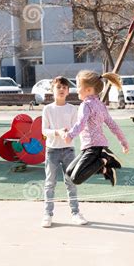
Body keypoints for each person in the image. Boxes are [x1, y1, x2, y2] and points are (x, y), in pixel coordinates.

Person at [64, 70, 129, 186]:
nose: (77, 89)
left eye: (79, 86)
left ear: (88, 90)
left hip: (93, 147)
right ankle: (105, 169)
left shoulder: (86, 105)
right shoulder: (100, 104)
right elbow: (113, 125)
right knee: (69, 172)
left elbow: (81, 123)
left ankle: (106, 158)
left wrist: (70, 135)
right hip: (91, 147)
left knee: (76, 179)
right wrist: (123, 142)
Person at [41, 76, 87, 228]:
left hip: (69, 151)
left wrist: (69, 135)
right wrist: (57, 132)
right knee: (50, 183)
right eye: (58, 87)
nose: (61, 90)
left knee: (71, 182)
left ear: (68, 91)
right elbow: (44, 131)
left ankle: (75, 213)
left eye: (64, 87)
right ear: (52, 90)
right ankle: (47, 214)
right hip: (52, 151)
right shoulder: (47, 109)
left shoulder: (73, 109)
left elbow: (77, 128)